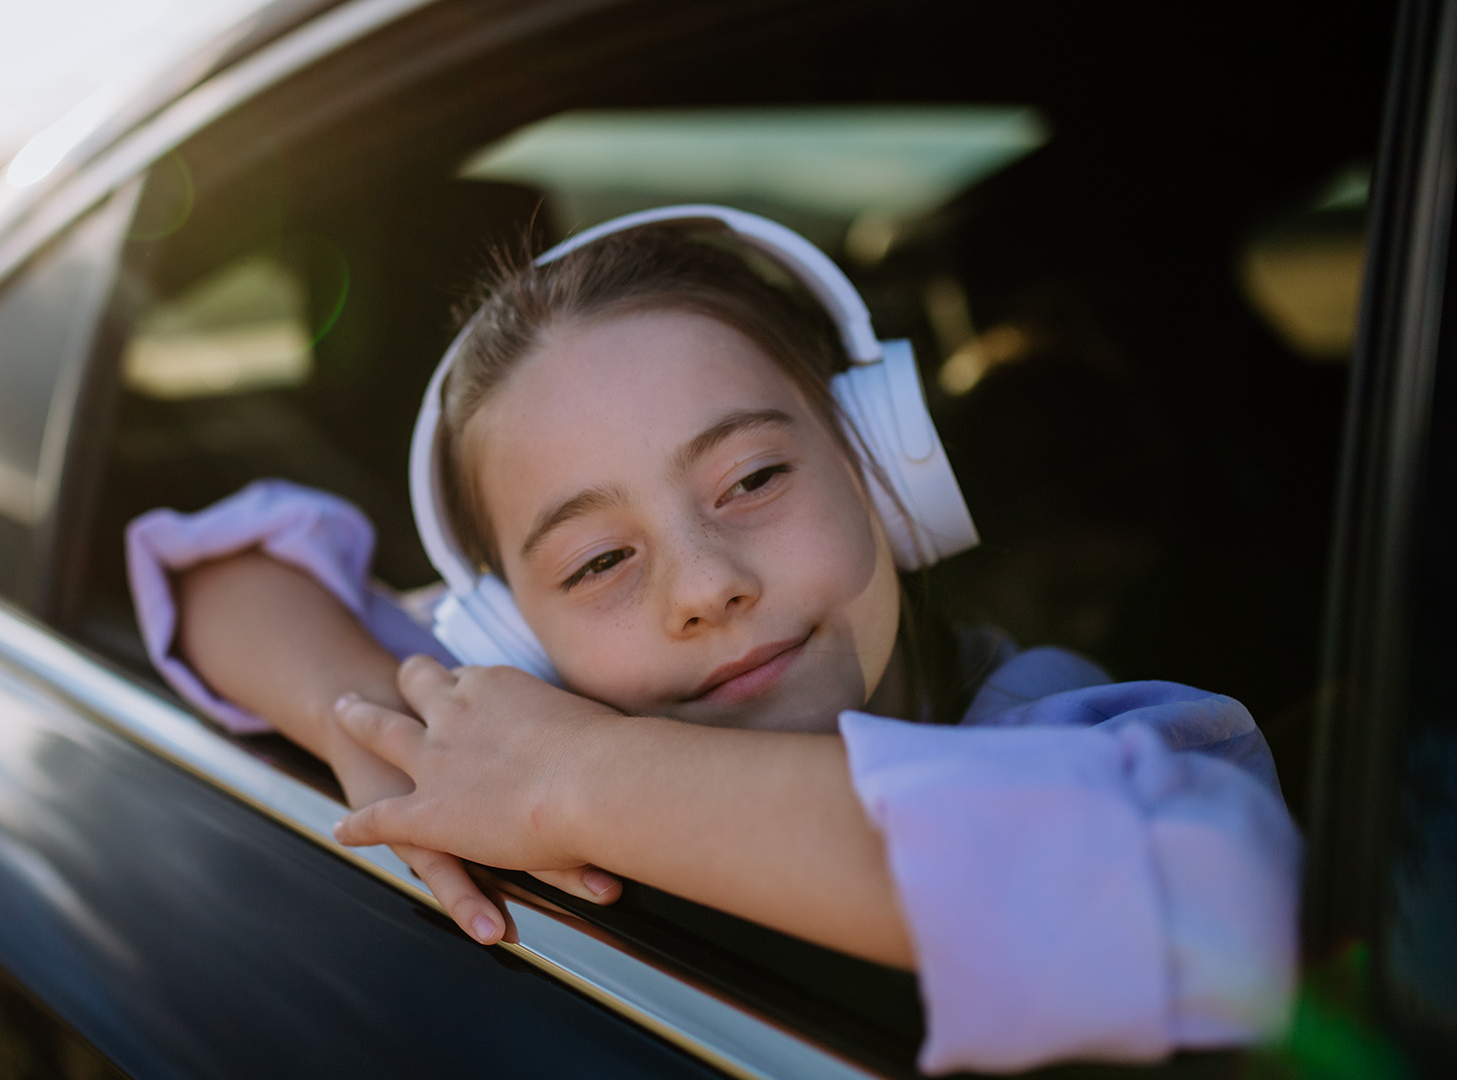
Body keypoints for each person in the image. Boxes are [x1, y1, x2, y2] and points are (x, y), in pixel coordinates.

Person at [125, 207, 1301, 1074]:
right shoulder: (524, 712)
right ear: (512, 640)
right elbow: (219, 562)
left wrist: (586, 779)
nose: (704, 588)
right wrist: (382, 720)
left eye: (750, 479)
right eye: (597, 561)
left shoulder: (1038, 718)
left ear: (885, 479)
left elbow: (1202, 895)